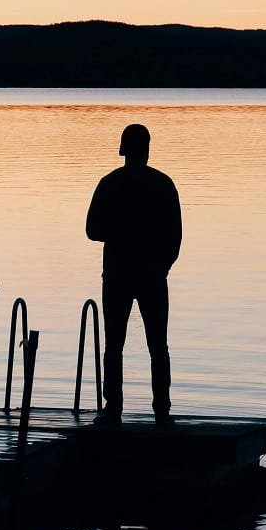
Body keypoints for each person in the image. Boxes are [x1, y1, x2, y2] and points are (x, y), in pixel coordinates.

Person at [86, 124, 181, 425]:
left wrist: (118, 233)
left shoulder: (109, 183)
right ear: (147, 149)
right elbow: (175, 236)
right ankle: (162, 410)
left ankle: (113, 407)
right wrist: (162, 265)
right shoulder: (163, 184)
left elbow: (91, 230)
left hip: (117, 274)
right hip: (152, 275)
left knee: (114, 344)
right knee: (158, 345)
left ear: (123, 149)